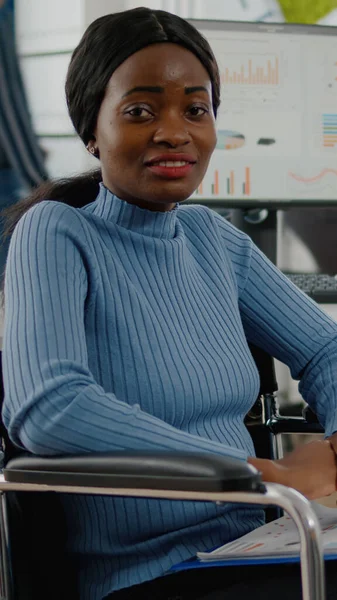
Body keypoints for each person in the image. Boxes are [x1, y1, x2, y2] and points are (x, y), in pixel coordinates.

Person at [2, 7, 337, 600]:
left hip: (258, 550)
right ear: (91, 131)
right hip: (151, 576)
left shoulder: (214, 239)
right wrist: (270, 475)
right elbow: (50, 406)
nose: (174, 131)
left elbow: (326, 349)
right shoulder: (56, 233)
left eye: (196, 109)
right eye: (140, 111)